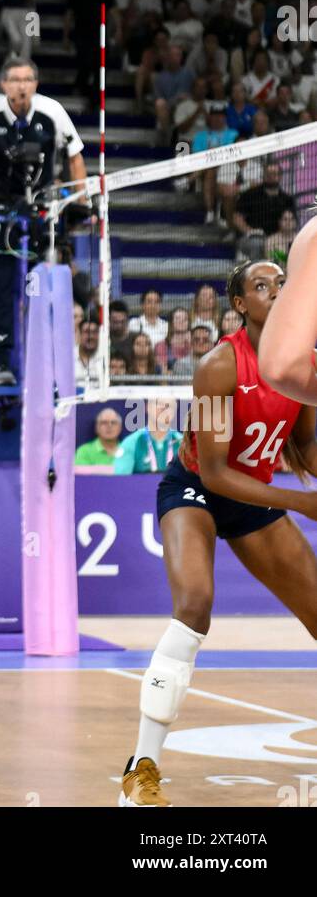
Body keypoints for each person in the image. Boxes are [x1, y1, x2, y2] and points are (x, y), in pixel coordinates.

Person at [119, 260, 317, 807]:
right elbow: (214, 472)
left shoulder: (299, 365)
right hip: (199, 492)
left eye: (283, 283)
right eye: (261, 286)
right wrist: (301, 502)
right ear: (239, 305)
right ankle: (141, 773)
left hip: (252, 494)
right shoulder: (218, 365)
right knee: (195, 605)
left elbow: (302, 446)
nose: (276, 292)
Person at [0, 56, 87, 384]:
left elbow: (75, 157)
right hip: (0, 214)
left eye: (27, 79)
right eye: (14, 80)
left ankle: (48, 366)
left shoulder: (53, 111)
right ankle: (0, 364)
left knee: (44, 285)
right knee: (0, 289)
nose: (21, 86)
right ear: (3, 84)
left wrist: (82, 202)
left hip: (42, 214)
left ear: (35, 84)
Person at [114, 397, 182, 473]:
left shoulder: (184, 444)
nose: (163, 408)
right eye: (159, 403)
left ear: (175, 411)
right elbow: (120, 482)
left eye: (169, 406)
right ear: (148, 407)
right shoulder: (131, 442)